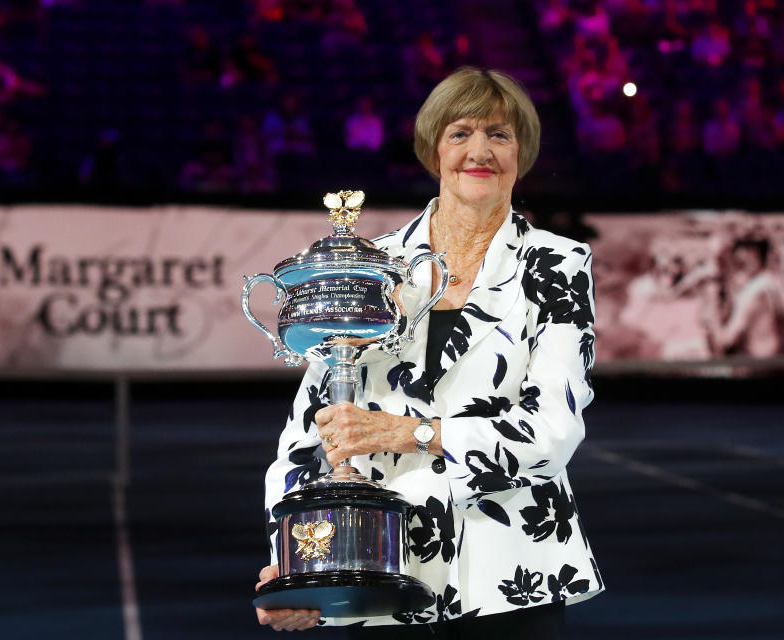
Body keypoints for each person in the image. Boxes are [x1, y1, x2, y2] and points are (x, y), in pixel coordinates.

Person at [255, 67, 604, 637]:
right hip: (373, 571)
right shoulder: (368, 264)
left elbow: (552, 434)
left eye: (499, 134)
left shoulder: (557, 265)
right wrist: (292, 566)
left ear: (523, 152)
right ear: (433, 149)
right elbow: (305, 436)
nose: (480, 152)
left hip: (512, 576)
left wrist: (409, 433)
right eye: (460, 133)